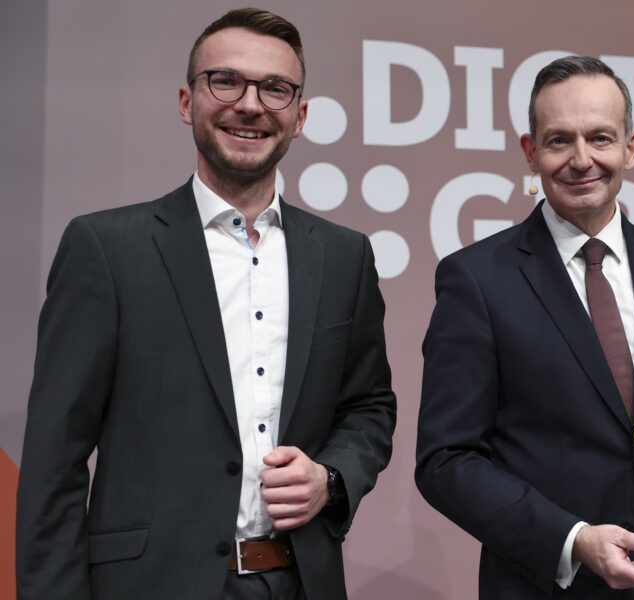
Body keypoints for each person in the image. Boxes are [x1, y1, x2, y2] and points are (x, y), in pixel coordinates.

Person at [16, 8, 397, 600]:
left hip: (302, 583)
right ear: (186, 102)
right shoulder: (107, 248)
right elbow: (53, 461)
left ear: (300, 117)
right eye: (225, 81)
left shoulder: (345, 256)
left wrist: (331, 476)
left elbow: (370, 406)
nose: (250, 104)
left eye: (275, 88)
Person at [415, 55, 634, 599]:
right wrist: (572, 541)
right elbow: (446, 462)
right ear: (530, 152)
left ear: (631, 147)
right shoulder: (476, 279)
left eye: (600, 137)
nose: (581, 159)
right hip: (549, 586)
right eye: (558, 141)